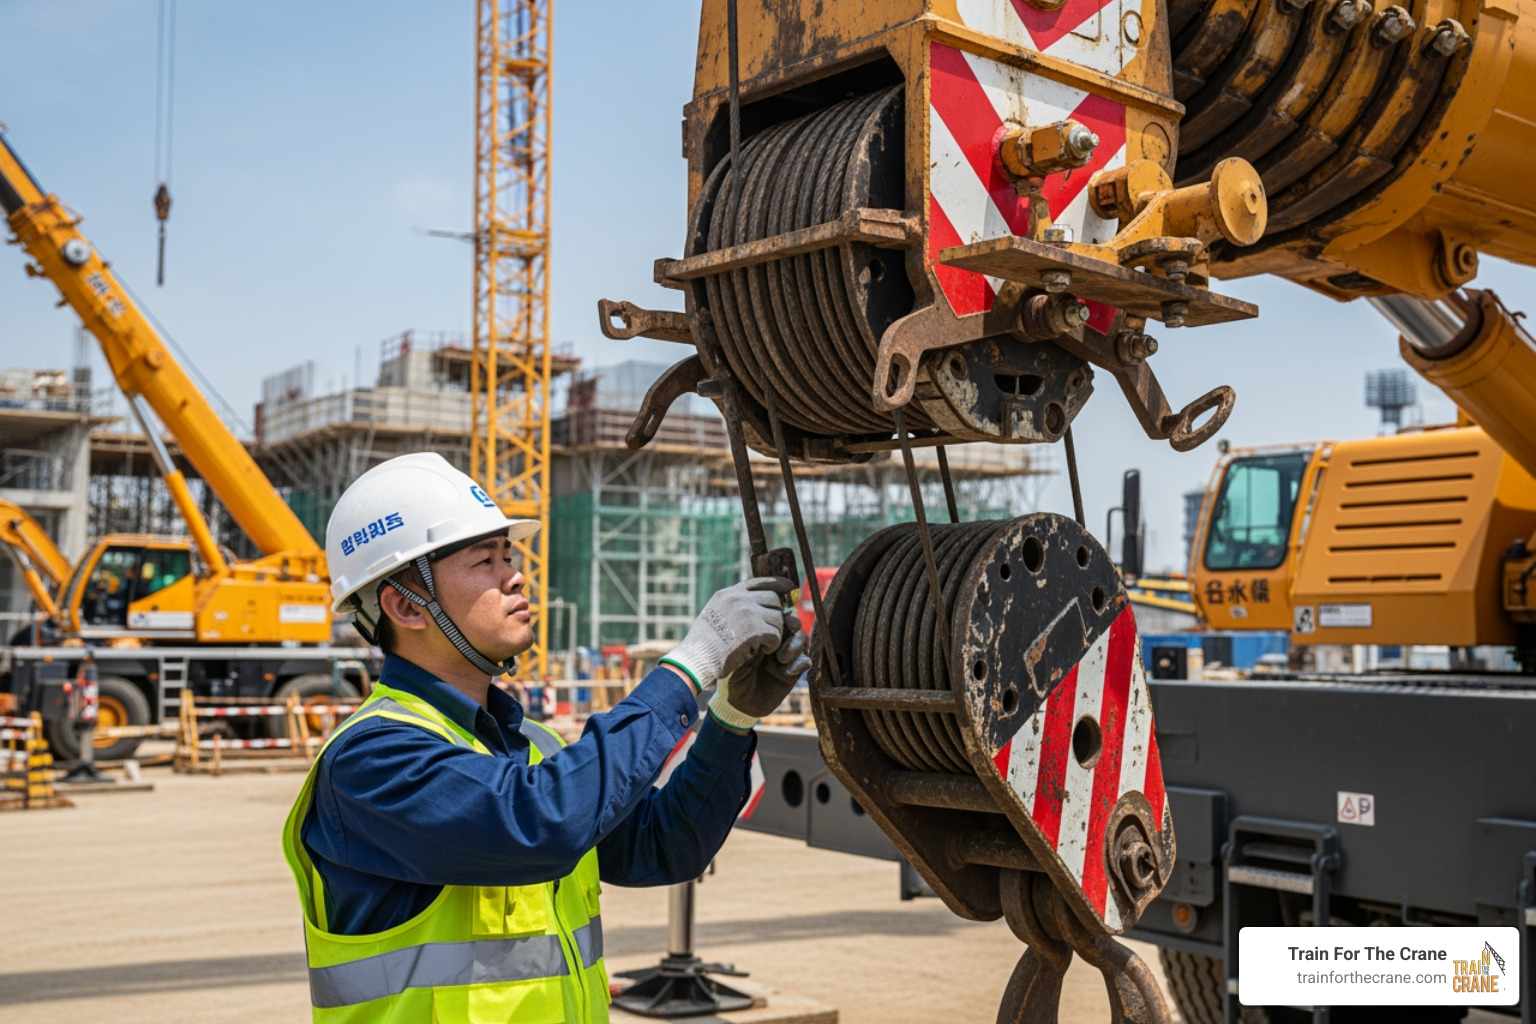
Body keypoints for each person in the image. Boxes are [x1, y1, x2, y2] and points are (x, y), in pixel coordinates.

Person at [281, 452, 808, 1023]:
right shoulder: (372, 759)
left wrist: (731, 716)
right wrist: (690, 665)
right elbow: (539, 823)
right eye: (484, 561)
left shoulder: (530, 749)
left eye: (509, 554)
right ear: (406, 606)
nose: (515, 575)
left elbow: (661, 848)